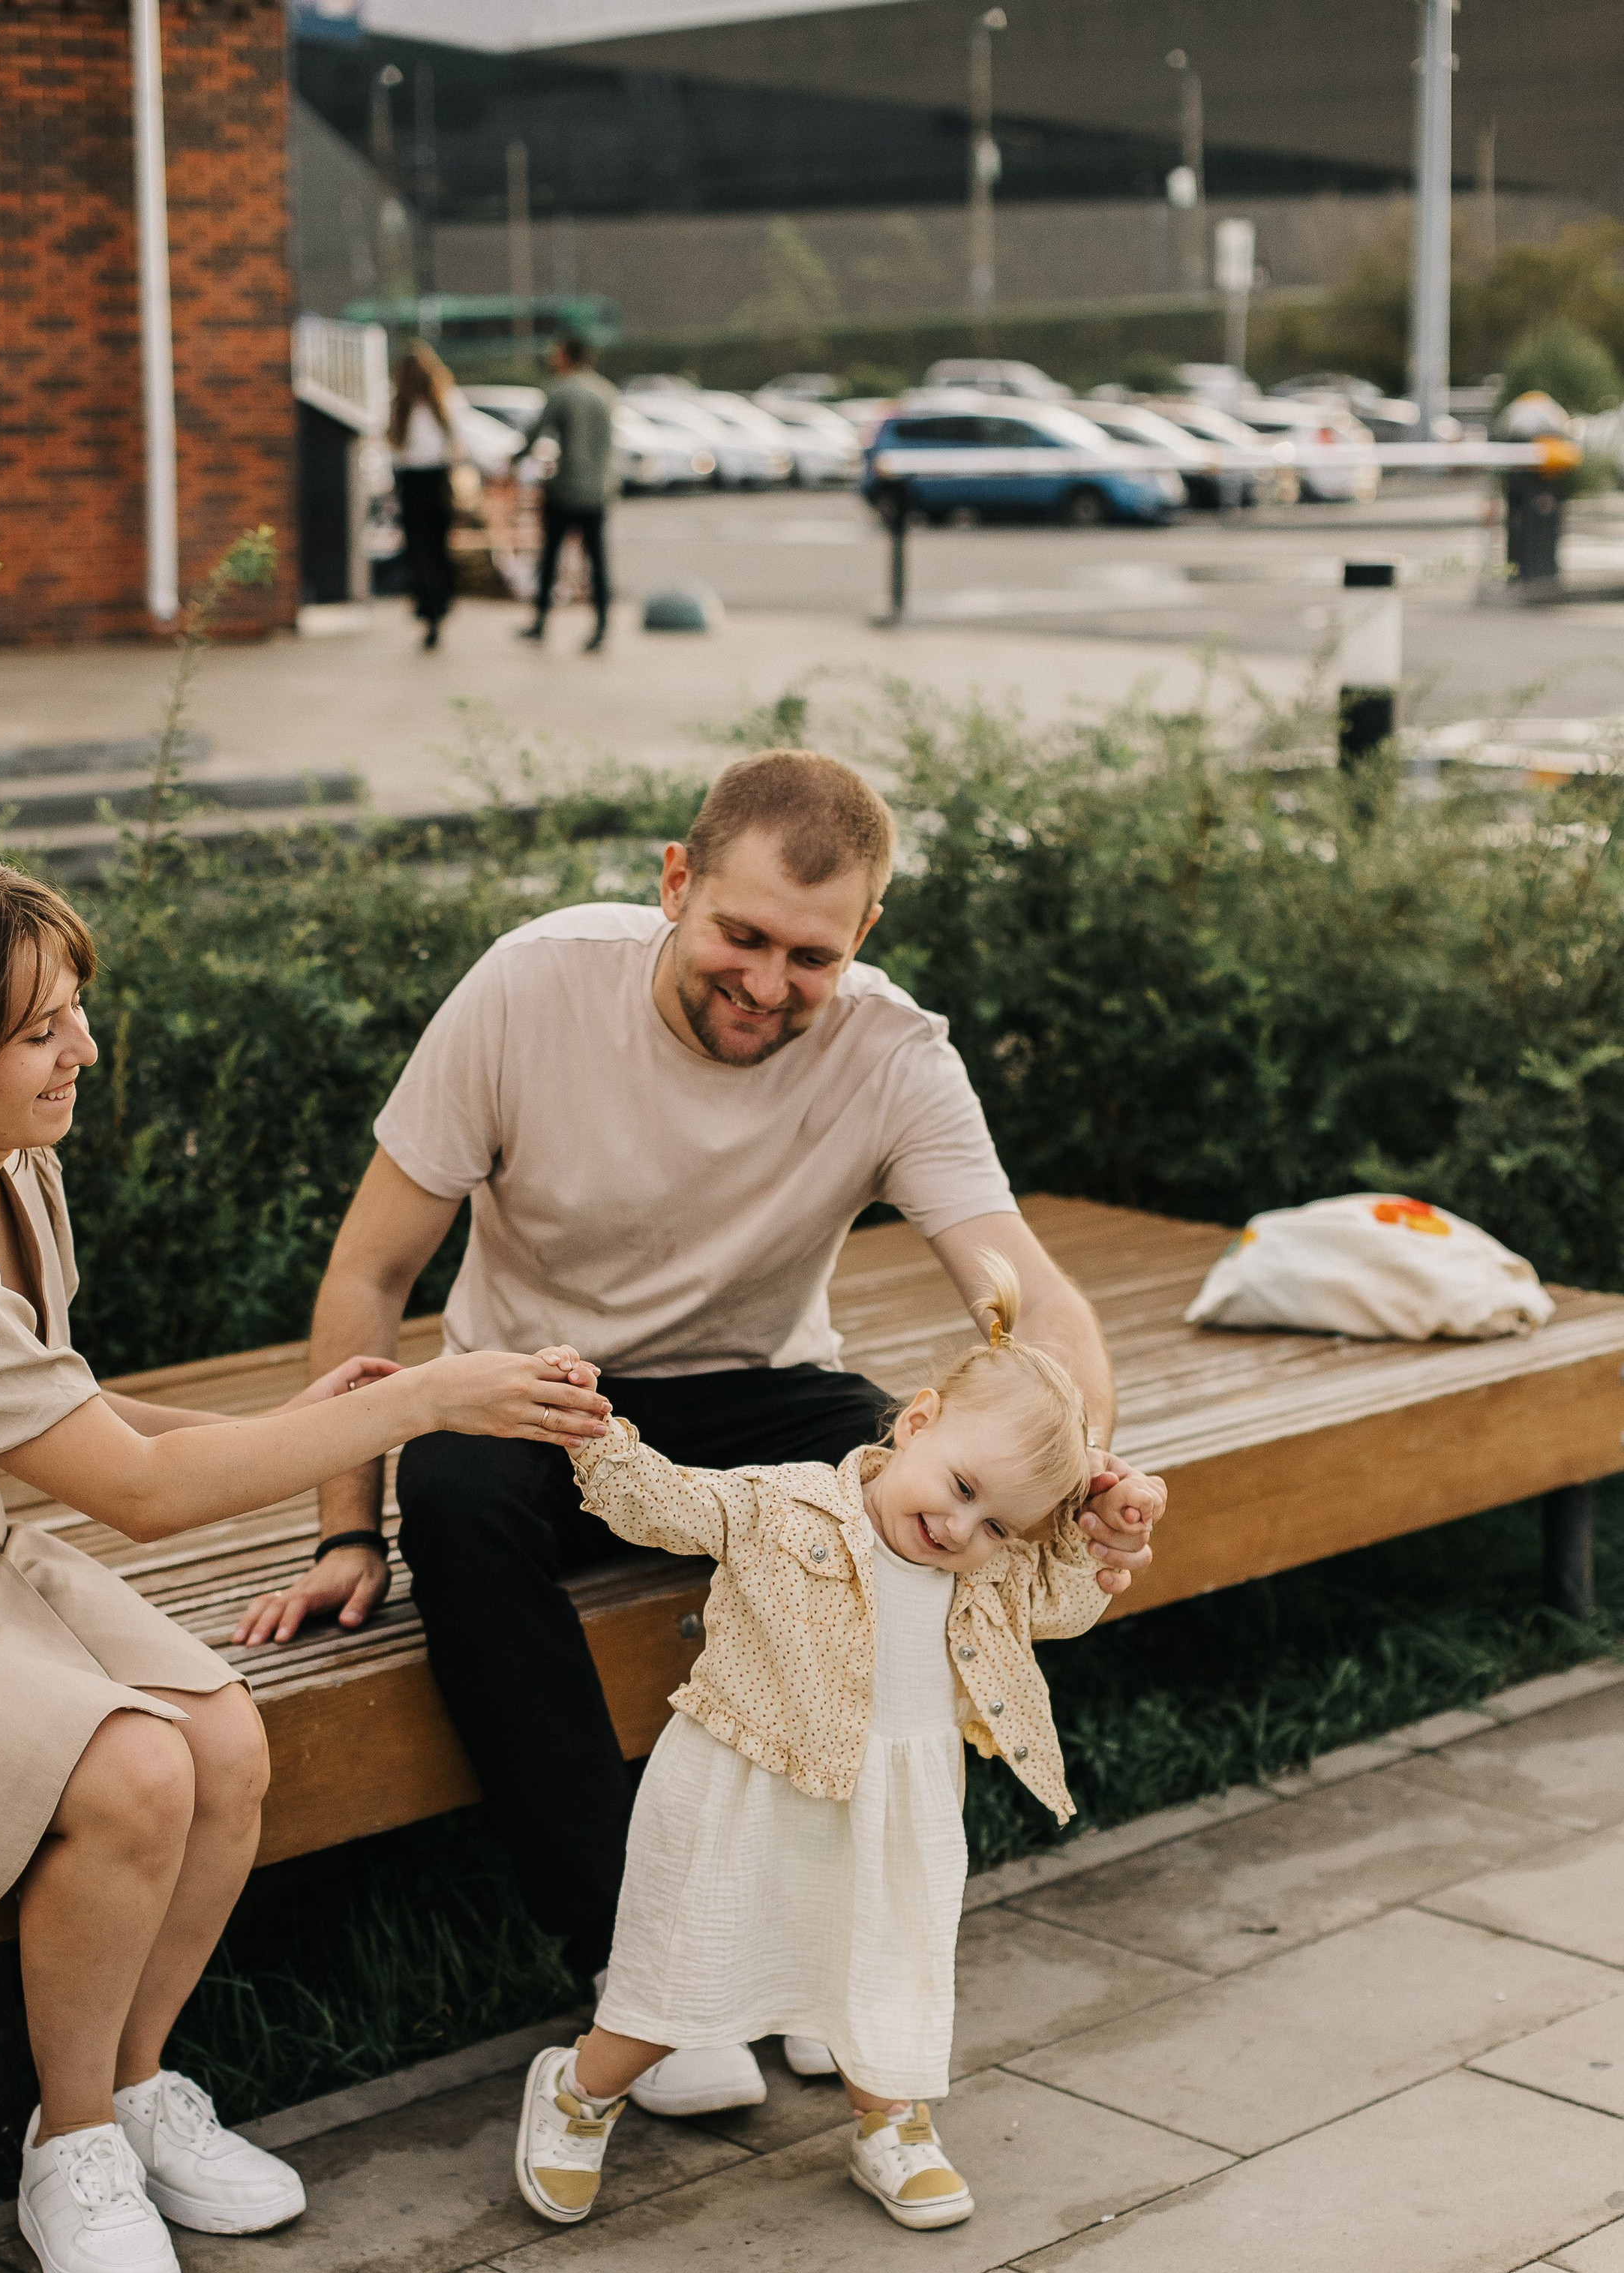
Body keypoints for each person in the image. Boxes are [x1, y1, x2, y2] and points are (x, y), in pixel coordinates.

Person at [0, 851, 608, 2273]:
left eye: (77, 1008)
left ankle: (130, 2092)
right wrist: (419, 1402)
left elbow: (61, 1413)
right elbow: (133, 1495)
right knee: (132, 1774)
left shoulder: (9, 1165)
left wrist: (304, 1415)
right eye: (41, 1029)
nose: (84, 1048)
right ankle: (66, 2150)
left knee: (222, 1742)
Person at [235, 749, 1163, 2122]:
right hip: (543, 1389)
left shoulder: (895, 1053)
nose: (769, 983)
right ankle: (638, 1961)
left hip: (762, 1388)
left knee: (908, 1501)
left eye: (813, 955)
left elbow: (1031, 1294)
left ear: (864, 936)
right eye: (743, 935)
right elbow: (370, 1274)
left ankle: (824, 1946)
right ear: (676, 882)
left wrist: (1080, 1477)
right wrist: (341, 1530)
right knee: (457, 1502)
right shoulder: (532, 986)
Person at [514, 1261, 1164, 2228]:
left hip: (896, 1802)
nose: (958, 1527)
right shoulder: (785, 1506)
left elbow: (1062, 1607)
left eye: (997, 1523)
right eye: (960, 1487)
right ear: (917, 1421)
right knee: (688, 1966)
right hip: (745, 1781)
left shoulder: (991, 1569)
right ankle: (580, 2089)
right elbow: (667, 1505)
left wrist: (1098, 1536)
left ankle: (890, 2122)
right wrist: (596, 1436)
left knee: (885, 1967)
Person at [515, 333, 618, 651]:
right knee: (597, 560)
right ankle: (601, 625)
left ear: (566, 356)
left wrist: (514, 459)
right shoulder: (606, 391)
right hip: (598, 489)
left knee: (550, 557)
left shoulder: (560, 390)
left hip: (566, 489)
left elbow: (536, 434)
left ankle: (541, 622)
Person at [388, 343, 477, 652]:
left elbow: (393, 451)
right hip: (438, 482)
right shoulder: (445, 401)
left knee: (419, 550)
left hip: (411, 484)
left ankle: (427, 606)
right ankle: (441, 603)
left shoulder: (399, 406)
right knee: (439, 547)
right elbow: (462, 441)